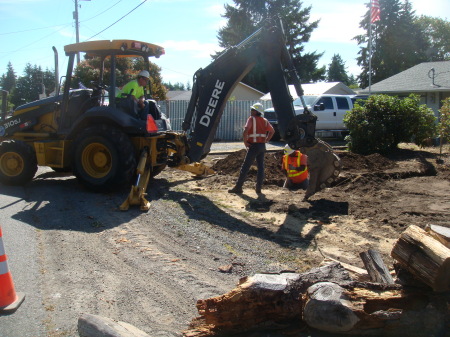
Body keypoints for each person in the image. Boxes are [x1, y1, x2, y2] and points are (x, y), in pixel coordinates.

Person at [228, 103, 275, 194]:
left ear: (256, 111)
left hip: (253, 146)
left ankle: (238, 187)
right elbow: (272, 131)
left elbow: (245, 131)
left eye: (253, 110)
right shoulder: (265, 120)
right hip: (262, 146)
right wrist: (266, 139)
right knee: (261, 167)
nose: (251, 111)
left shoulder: (251, 119)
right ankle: (258, 189)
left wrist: (245, 142)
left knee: (245, 167)